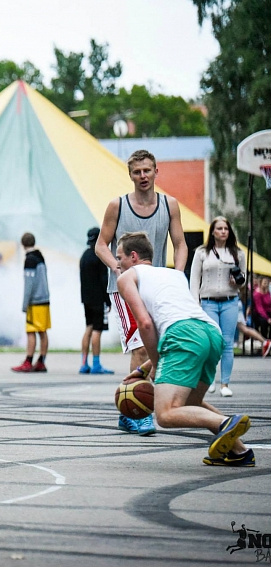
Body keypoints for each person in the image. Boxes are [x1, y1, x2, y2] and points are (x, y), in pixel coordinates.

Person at [117, 231, 254, 467]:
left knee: (166, 414)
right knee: (190, 402)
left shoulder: (127, 277)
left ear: (133, 256)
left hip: (183, 335)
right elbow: (170, 322)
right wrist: (145, 368)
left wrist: (157, 366)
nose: (117, 263)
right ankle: (240, 451)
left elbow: (146, 324)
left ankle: (225, 424)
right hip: (210, 334)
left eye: (119, 258)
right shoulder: (174, 274)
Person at [95, 149, 187, 437]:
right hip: (124, 288)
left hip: (157, 287)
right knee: (140, 346)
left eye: (147, 170)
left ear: (156, 172)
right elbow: (100, 245)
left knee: (157, 347)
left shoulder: (169, 205)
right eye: (137, 172)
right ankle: (139, 412)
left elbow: (180, 243)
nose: (143, 176)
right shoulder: (117, 206)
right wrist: (117, 268)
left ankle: (130, 407)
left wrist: (178, 274)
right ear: (131, 175)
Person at [189, 216, 246, 397]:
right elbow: (194, 278)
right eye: (219, 228)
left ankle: (225, 384)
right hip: (208, 301)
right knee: (213, 342)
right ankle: (210, 379)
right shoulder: (201, 253)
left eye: (226, 229)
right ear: (212, 231)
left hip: (230, 300)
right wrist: (195, 302)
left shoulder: (238, 253)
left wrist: (237, 281)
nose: (223, 231)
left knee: (228, 343)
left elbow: (243, 278)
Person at [11, 232, 50, 373]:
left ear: (23, 245)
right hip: (45, 299)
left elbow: (29, 284)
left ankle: (28, 361)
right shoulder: (40, 257)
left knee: (31, 331)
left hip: (35, 302)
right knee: (43, 331)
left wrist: (24, 304)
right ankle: (41, 361)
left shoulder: (30, 260)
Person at [79, 227, 113, 374]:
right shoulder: (100, 257)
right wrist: (108, 300)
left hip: (86, 299)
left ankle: (84, 363)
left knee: (88, 329)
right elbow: (104, 280)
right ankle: (96, 364)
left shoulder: (84, 256)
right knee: (97, 331)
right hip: (98, 299)